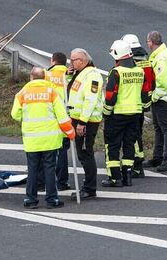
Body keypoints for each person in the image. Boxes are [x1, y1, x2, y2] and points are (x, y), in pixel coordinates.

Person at [12, 67, 75, 209]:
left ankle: (30, 199)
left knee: (33, 170)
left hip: (31, 140)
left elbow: (15, 114)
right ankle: (52, 199)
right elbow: (62, 116)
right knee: (50, 170)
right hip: (50, 139)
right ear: (45, 78)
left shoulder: (22, 94)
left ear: (31, 77)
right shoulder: (51, 93)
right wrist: (70, 132)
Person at [101, 39, 151, 187]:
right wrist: (143, 108)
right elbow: (145, 94)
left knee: (112, 145)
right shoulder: (139, 71)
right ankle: (127, 175)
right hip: (135, 114)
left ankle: (115, 178)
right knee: (129, 144)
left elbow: (110, 96)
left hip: (117, 115)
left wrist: (105, 113)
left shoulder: (116, 72)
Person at [66, 48, 104, 199]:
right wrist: (69, 76)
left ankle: (89, 188)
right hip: (78, 119)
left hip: (87, 121)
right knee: (82, 153)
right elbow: (71, 91)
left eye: (73, 60)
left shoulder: (93, 76)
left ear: (82, 61)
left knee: (85, 153)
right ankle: (87, 186)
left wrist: (82, 122)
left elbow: (90, 100)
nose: (71, 62)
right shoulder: (80, 74)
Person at [122, 33, 155, 178]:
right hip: (143, 103)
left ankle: (135, 164)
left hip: (130, 104)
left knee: (132, 136)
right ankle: (138, 163)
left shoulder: (129, 63)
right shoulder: (146, 61)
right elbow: (152, 82)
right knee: (137, 133)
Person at [146, 31, 167, 172]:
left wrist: (152, 97)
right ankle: (158, 157)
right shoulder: (164, 54)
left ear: (151, 42)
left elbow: (162, 81)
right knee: (159, 128)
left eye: (147, 41)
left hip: (162, 98)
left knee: (165, 129)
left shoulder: (161, 57)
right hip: (163, 97)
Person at [45, 52, 71, 191]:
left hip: (48, 117)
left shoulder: (46, 75)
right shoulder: (70, 74)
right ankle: (62, 182)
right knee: (62, 151)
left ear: (52, 61)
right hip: (65, 116)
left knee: (47, 151)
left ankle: (43, 181)